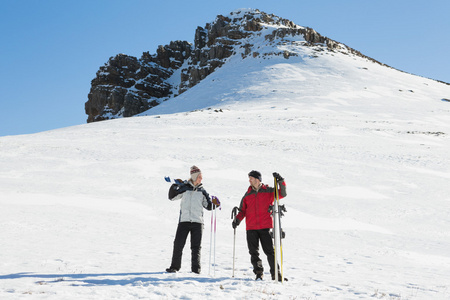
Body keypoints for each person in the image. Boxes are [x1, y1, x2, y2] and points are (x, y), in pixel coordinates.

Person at [232, 170, 287, 281]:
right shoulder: (247, 195)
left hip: (265, 227)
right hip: (251, 228)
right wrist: (237, 220)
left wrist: (281, 181)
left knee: (270, 252)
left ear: (257, 179)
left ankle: (276, 274)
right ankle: (258, 273)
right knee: (253, 252)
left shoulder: (268, 191)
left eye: (251, 178)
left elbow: (282, 193)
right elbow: (242, 211)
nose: (249, 180)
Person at [166, 165, 219, 274]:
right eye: (199, 176)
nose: (201, 178)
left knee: (196, 247)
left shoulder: (202, 191)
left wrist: (216, 204)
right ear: (194, 177)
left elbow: (208, 206)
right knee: (178, 244)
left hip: (197, 222)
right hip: (184, 221)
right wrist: (175, 185)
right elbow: (172, 197)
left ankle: (196, 270)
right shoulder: (184, 188)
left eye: (201, 176)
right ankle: (174, 267)